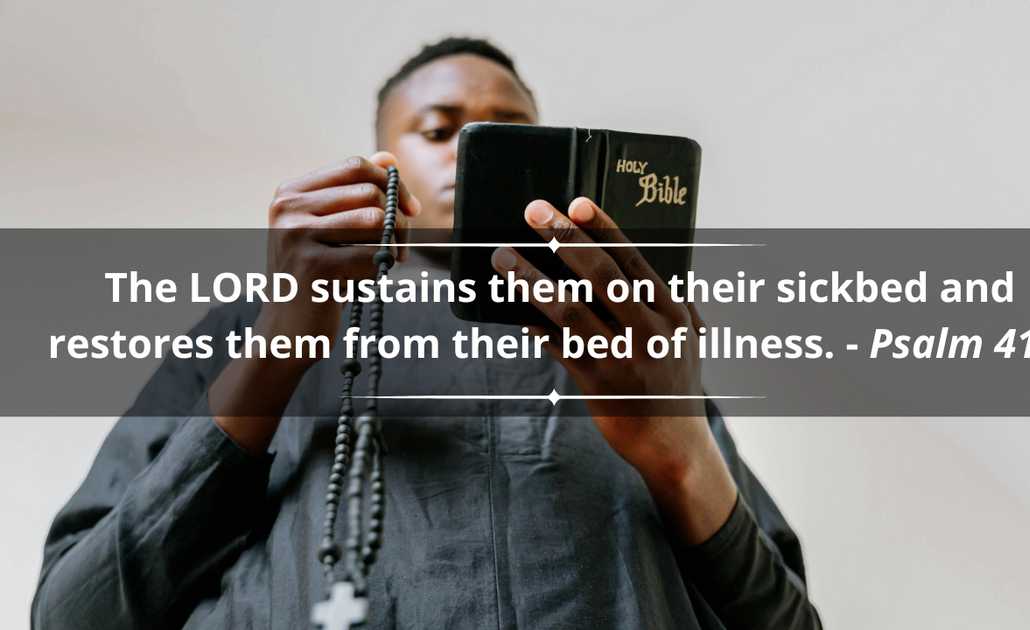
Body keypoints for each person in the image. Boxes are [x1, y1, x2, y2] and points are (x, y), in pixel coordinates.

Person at [33, 37, 821, 629]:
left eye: (511, 134)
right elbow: (74, 615)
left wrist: (680, 450)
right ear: (386, 164)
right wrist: (278, 348)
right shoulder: (244, 330)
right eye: (440, 131)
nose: (470, 154)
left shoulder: (640, 355)